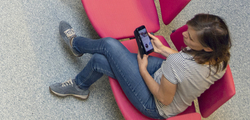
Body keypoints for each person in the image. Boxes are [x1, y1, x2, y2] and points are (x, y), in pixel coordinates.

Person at [49, 15, 231, 119]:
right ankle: (80, 86)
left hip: (155, 104)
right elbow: (189, 64)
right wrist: (163, 49)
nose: (184, 35)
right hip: (166, 74)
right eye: (188, 30)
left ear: (207, 47)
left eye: (190, 37)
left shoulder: (179, 64)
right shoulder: (220, 57)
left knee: (109, 46)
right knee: (100, 59)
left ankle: (76, 45)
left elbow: (163, 98)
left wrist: (143, 70)